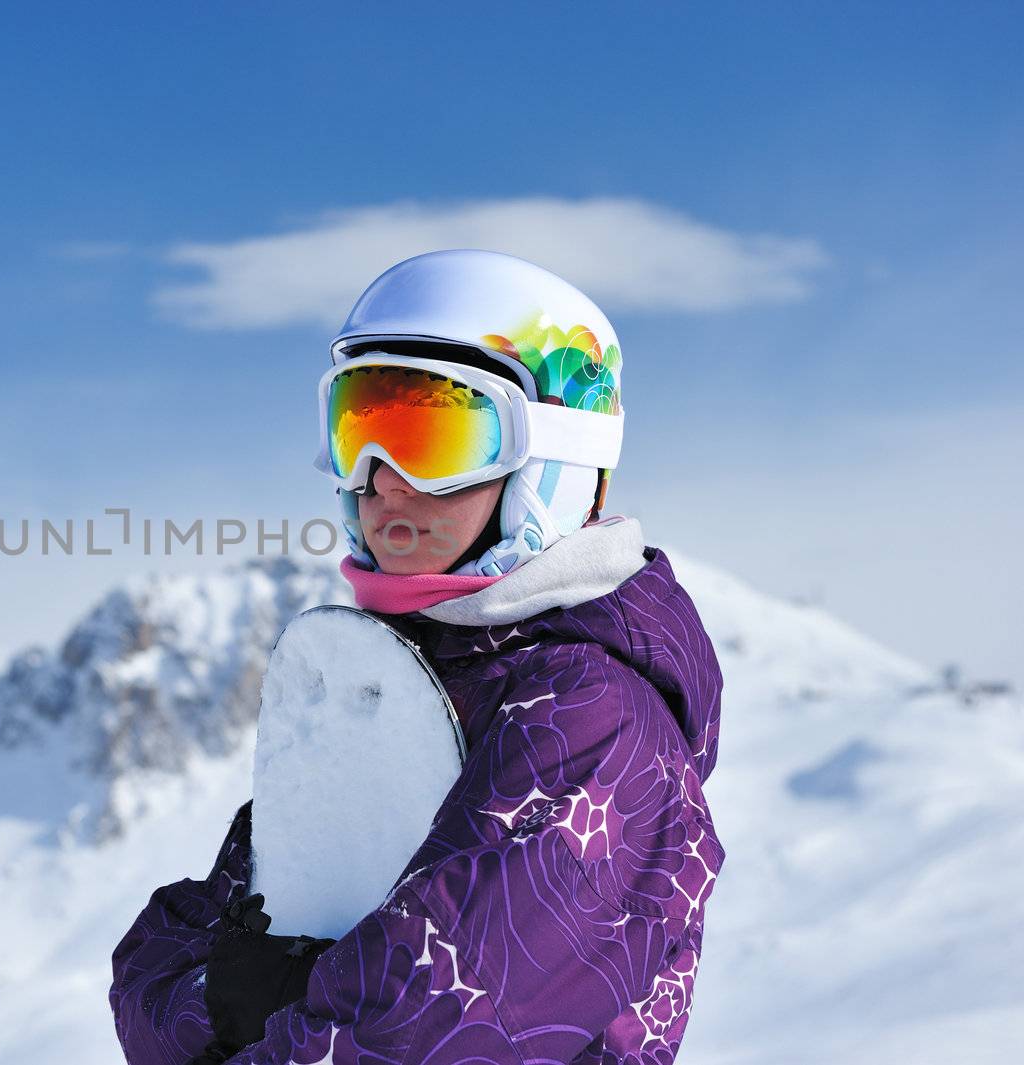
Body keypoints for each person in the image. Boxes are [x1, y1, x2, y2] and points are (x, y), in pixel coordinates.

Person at [109, 249, 726, 1064]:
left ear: (553, 459)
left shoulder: (591, 716)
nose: (383, 482)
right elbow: (154, 967)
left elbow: (421, 1030)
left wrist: (264, 1000)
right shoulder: (392, 679)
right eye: (359, 429)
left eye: (434, 437)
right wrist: (232, 992)